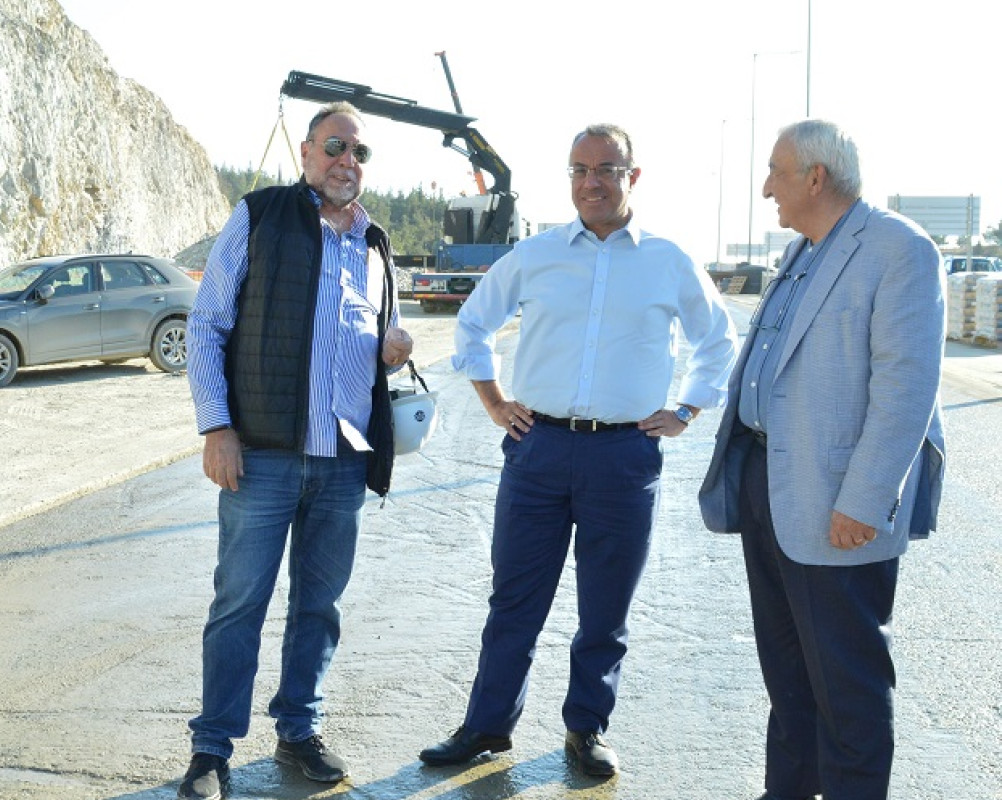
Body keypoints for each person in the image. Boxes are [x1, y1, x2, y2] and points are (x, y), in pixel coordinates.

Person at [419, 124, 738, 777]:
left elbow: (718, 341)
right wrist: (493, 401)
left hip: (624, 457)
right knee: (515, 599)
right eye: (579, 169)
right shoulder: (536, 256)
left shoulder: (668, 261)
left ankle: (586, 729)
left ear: (632, 177)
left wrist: (686, 409)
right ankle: (487, 726)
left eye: (606, 169)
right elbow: (474, 322)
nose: (591, 182)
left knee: (606, 605)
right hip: (536, 449)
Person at [698, 119, 944, 800]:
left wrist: (864, 500)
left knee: (848, 688)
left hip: (838, 502)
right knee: (790, 678)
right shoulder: (804, 251)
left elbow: (905, 388)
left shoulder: (898, 249)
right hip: (769, 486)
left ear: (815, 176)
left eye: (776, 170)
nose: (766, 185)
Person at [177, 101, 414, 800]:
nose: (348, 161)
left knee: (320, 604)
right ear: (307, 153)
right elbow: (206, 326)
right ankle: (211, 749)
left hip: (343, 461)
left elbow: (381, 342)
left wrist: (396, 351)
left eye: (360, 152)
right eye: (335, 146)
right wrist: (216, 428)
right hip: (264, 456)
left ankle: (298, 729)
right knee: (239, 602)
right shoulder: (262, 215)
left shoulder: (376, 243)